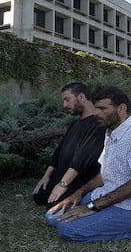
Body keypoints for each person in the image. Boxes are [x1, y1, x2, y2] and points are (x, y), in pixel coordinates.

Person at [45, 87, 131, 243]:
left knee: (69, 230)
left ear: (122, 108)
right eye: (96, 108)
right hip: (109, 194)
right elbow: (105, 174)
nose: (97, 113)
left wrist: (92, 207)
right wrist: (79, 192)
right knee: (52, 217)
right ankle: (100, 214)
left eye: (103, 109)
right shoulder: (110, 132)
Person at [32, 82, 105, 210]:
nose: (64, 105)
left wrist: (63, 184)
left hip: (80, 177)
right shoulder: (74, 125)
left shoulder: (97, 124)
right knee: (39, 196)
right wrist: (46, 176)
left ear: (81, 97)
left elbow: (83, 158)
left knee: (53, 206)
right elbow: (59, 151)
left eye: (67, 99)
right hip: (62, 174)